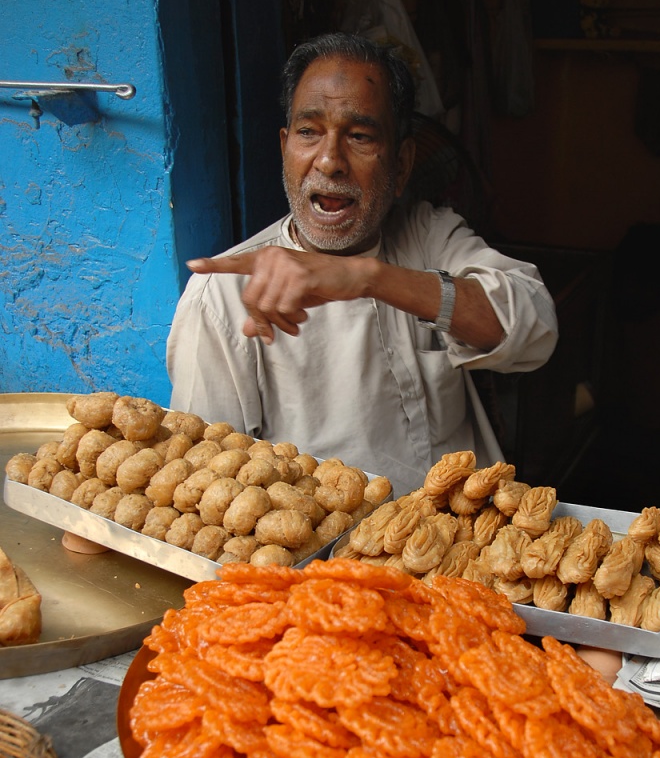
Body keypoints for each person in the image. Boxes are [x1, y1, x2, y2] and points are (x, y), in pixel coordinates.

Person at [167, 32, 558, 497]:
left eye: (359, 136)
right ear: (284, 148)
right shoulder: (222, 297)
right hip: (336, 543)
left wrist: (368, 278)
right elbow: (206, 489)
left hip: (470, 530)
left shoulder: (427, 235)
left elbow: (534, 327)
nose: (330, 161)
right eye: (309, 132)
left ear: (402, 165)